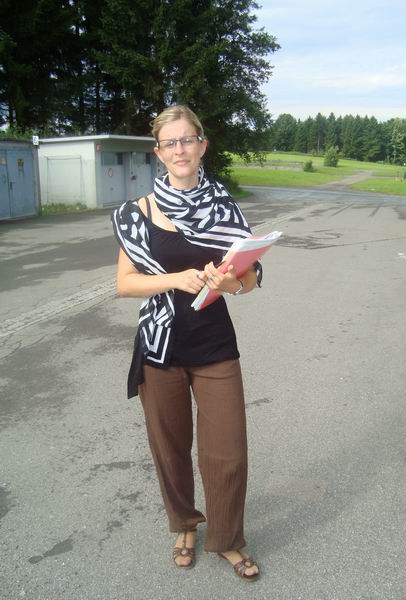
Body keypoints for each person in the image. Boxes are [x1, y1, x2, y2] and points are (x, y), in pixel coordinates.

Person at [111, 105, 261, 581]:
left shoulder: (225, 208)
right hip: (161, 347)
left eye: (187, 140)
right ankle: (185, 526)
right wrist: (175, 278)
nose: (180, 149)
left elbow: (250, 277)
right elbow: (125, 284)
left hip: (215, 344)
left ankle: (228, 538)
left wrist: (231, 282)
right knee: (170, 448)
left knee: (228, 452)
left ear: (202, 146)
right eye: (170, 142)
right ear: (159, 152)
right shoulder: (137, 213)